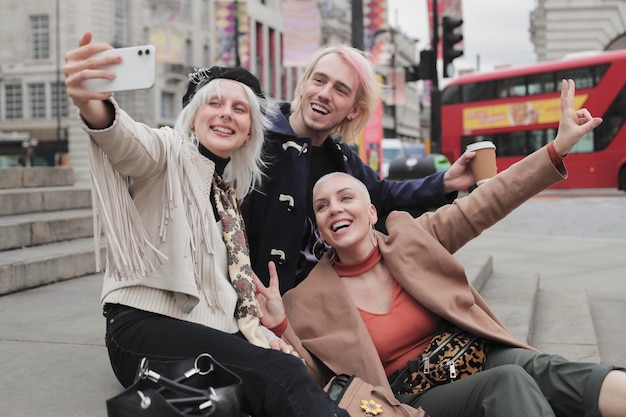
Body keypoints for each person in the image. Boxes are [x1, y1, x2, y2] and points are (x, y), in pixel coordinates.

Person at [255, 80, 626, 417]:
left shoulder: (412, 238)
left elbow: (486, 201)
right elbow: (314, 380)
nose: (334, 208)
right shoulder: (305, 298)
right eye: (322, 206)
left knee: (545, 369)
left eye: (345, 197)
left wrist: (557, 148)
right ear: (320, 228)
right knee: (508, 382)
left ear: (371, 212)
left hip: (469, 353)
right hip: (411, 395)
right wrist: (282, 326)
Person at [64, 31, 349, 417]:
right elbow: (125, 140)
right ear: (194, 116)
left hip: (198, 334)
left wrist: (263, 329)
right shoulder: (166, 154)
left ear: (250, 130)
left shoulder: (226, 195)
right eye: (213, 103)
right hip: (143, 328)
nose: (226, 114)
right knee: (281, 374)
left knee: (283, 370)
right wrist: (94, 102)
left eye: (239, 108)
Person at [240, 44, 476, 292]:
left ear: (354, 110)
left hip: (332, 299)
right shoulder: (255, 137)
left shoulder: (341, 155)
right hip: (266, 305)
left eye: (340, 90)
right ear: (304, 84)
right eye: (319, 80)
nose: (324, 93)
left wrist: (446, 181)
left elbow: (383, 194)